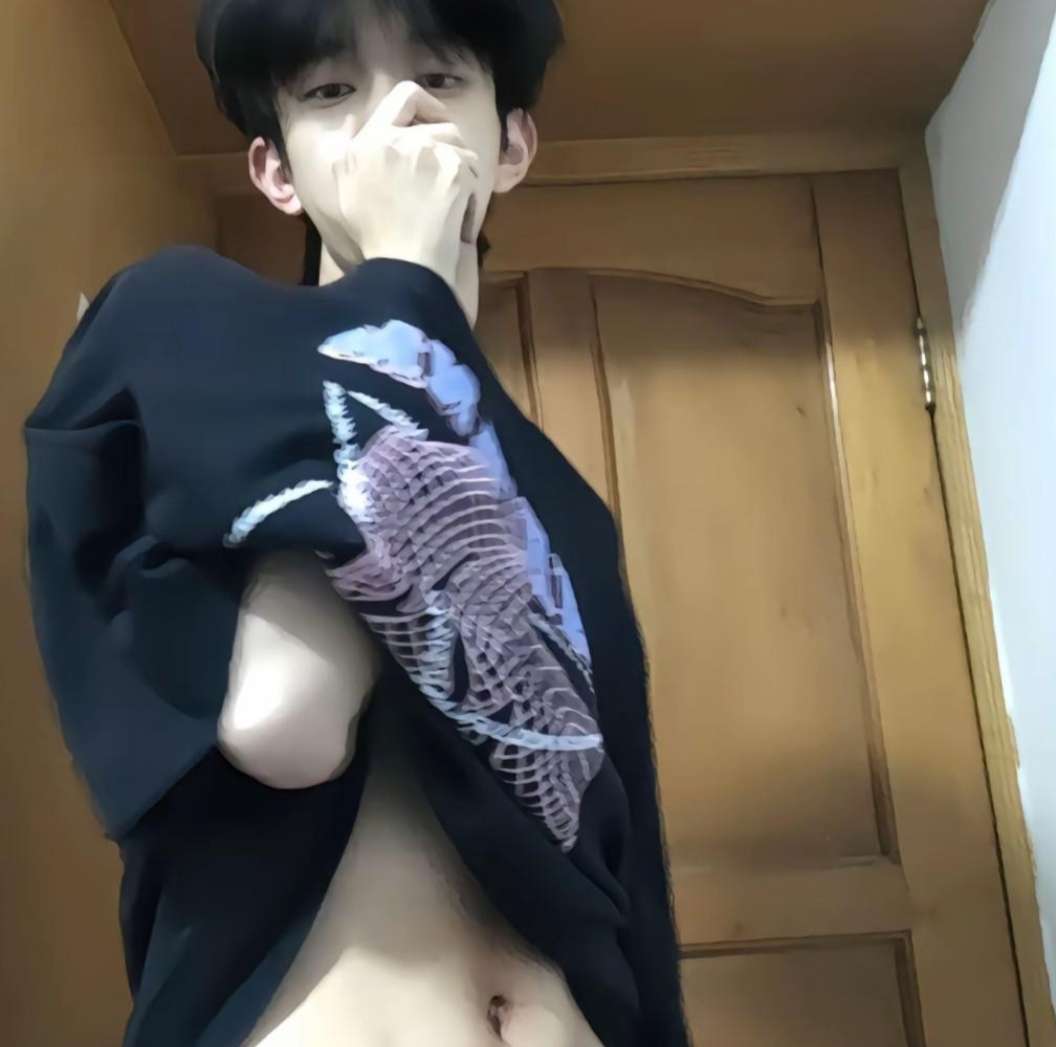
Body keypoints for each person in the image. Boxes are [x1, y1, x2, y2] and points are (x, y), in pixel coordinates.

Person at [24, 1, 691, 1044]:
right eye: (333, 92)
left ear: (511, 145)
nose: (396, 119)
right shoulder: (183, 322)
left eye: (441, 78)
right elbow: (287, 719)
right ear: (275, 171)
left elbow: (623, 870)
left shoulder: (561, 504)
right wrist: (407, 283)